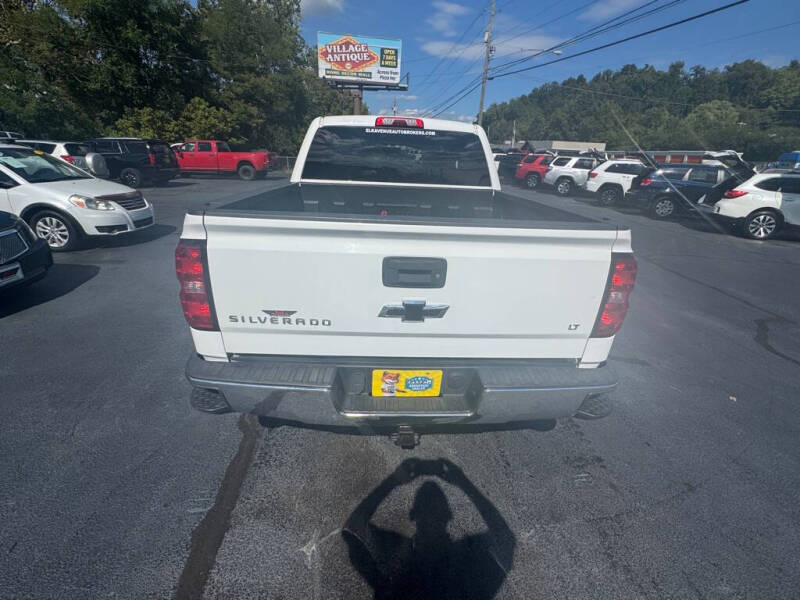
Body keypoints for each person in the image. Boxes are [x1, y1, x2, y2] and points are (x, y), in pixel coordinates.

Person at [342, 458, 516, 599]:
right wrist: (464, 483)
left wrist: (393, 481)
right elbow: (505, 538)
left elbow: (352, 528)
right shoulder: (465, 568)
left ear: (413, 515)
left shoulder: (392, 561)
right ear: (449, 515)